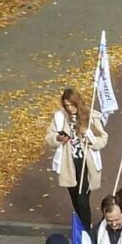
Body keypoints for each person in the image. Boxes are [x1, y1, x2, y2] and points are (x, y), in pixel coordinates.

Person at [50, 83, 109, 228]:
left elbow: (103, 138)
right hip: (69, 162)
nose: (70, 108)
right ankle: (83, 226)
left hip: (85, 162)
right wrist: (57, 138)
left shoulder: (90, 116)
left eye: (72, 105)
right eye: (67, 105)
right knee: (75, 197)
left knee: (83, 198)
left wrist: (92, 140)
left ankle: (86, 230)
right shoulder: (60, 117)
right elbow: (49, 136)